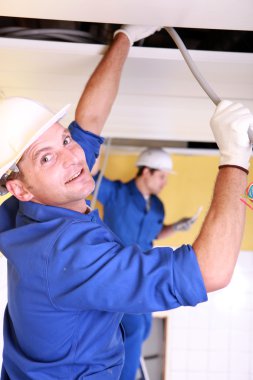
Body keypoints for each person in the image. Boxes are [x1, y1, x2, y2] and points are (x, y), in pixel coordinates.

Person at [0, 24, 252, 380]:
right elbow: (211, 271)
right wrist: (234, 160)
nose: (72, 157)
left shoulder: (29, 205)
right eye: (45, 157)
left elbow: (88, 124)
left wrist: (124, 38)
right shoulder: (70, 253)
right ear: (20, 187)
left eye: (65, 140)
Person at [92, 147, 199, 380]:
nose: (165, 182)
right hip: (117, 276)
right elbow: (92, 178)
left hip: (145, 277)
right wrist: (95, 144)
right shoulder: (117, 193)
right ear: (146, 172)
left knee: (142, 330)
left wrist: (176, 226)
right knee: (134, 329)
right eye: (162, 176)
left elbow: (154, 234)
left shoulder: (158, 206)